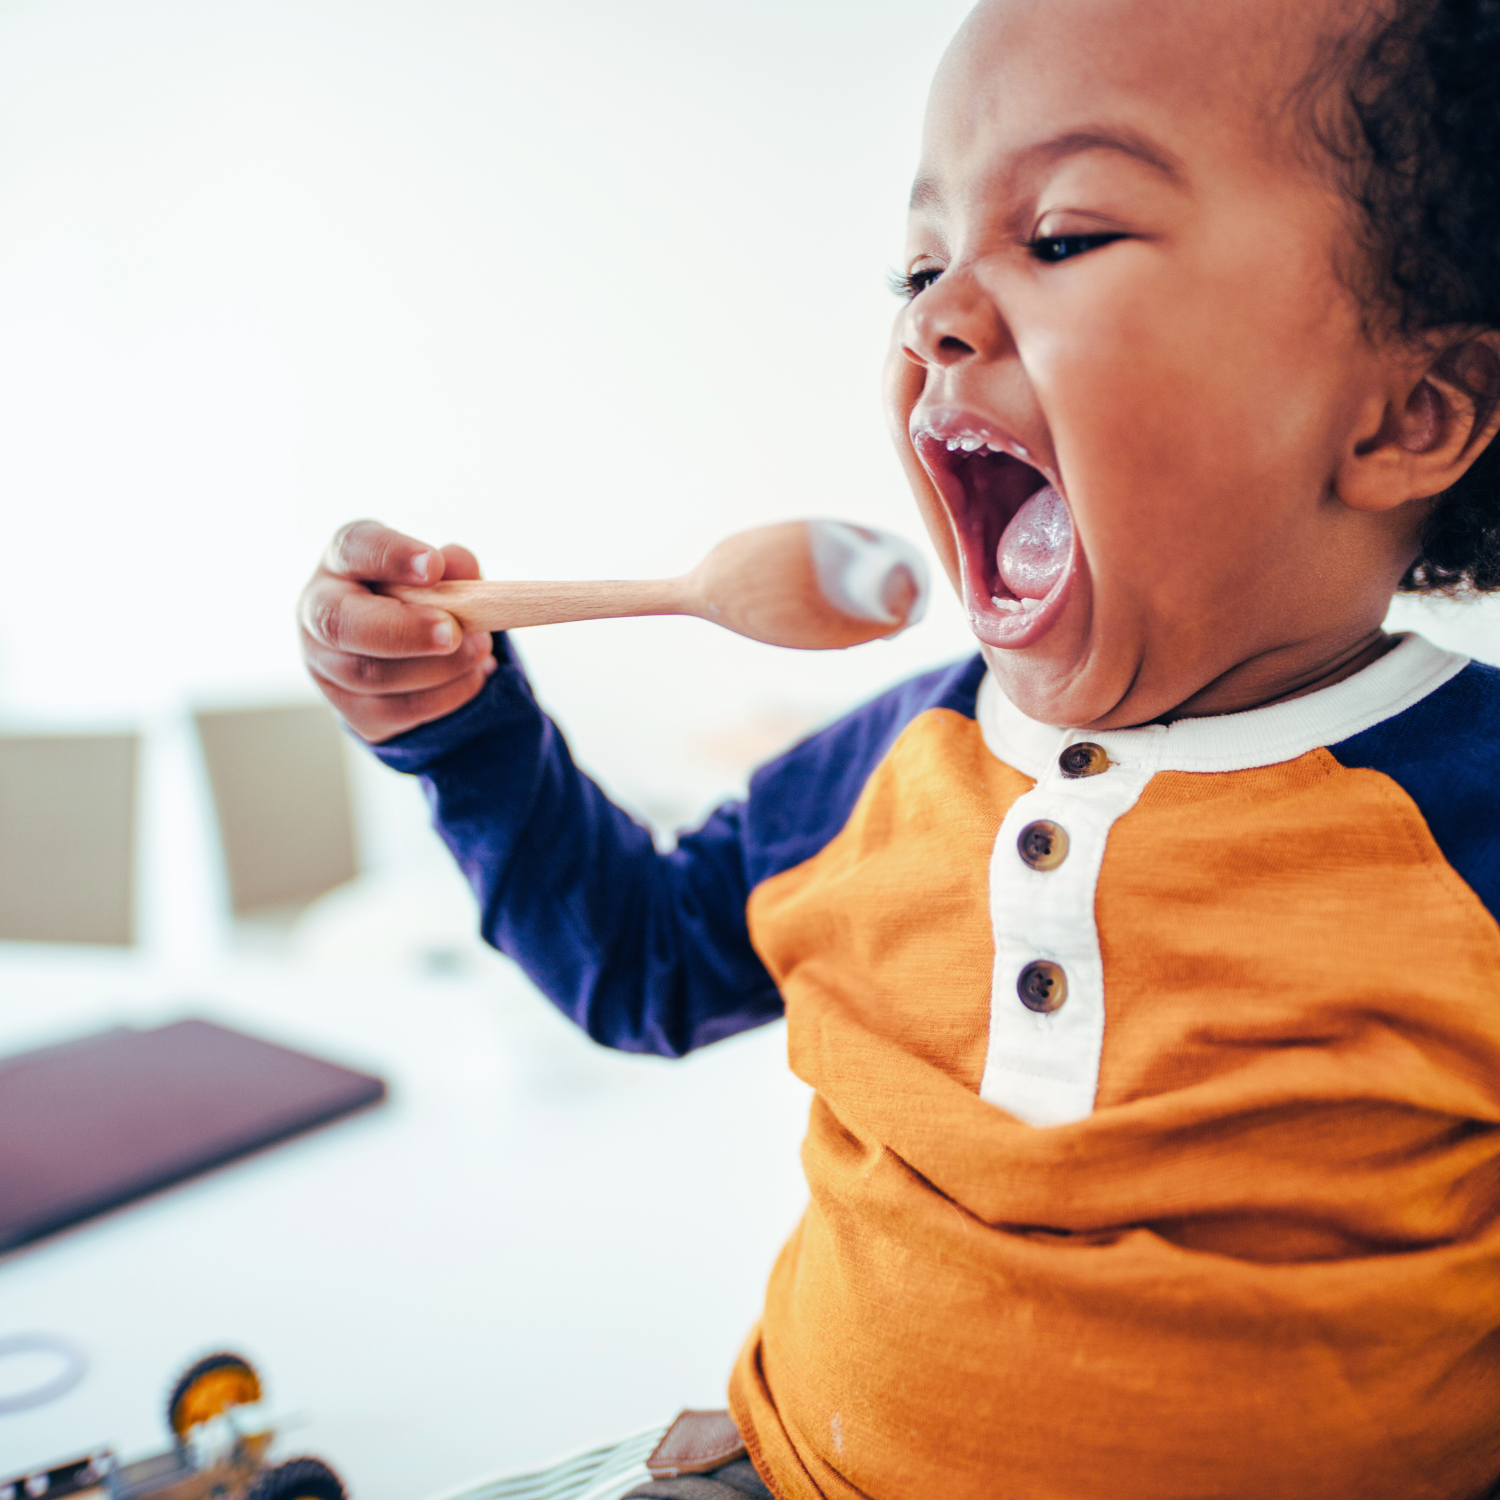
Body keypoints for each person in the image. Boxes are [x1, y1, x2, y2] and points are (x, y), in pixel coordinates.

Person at [297, 0, 1500, 1494]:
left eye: (1063, 238)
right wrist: (463, 736)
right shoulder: (889, 765)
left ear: (1411, 412)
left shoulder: (1475, 822)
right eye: (920, 264)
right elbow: (642, 964)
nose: (935, 315)